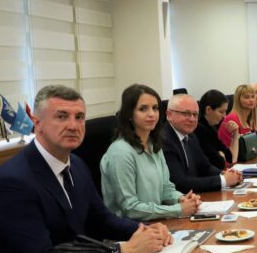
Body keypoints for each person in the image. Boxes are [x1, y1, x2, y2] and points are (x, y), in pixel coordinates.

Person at [0, 85, 172, 253]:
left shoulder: (76, 164)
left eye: (79, 117)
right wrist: (121, 251)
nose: (73, 126)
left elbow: (101, 218)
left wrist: (144, 230)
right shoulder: (14, 182)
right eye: (61, 116)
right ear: (37, 124)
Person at [101, 84, 201, 221]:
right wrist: (178, 209)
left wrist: (181, 199)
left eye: (155, 108)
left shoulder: (154, 145)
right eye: (143, 109)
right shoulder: (120, 152)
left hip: (156, 223)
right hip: (130, 230)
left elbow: (166, 188)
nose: (151, 114)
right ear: (129, 114)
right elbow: (130, 208)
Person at [163, 93, 243, 193]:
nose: (192, 119)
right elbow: (179, 183)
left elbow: (205, 167)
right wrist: (223, 180)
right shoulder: (165, 140)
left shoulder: (191, 135)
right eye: (186, 114)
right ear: (169, 115)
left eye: (195, 114)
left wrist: (225, 174)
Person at [218, 84, 257, 161]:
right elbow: (230, 152)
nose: (251, 100)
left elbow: (249, 142)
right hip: (233, 164)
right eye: (247, 97)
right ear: (238, 100)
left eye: (253, 97)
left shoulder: (247, 119)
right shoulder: (231, 119)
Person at [195, 89, 232, 169]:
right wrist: (221, 155)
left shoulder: (212, 127)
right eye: (221, 112)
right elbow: (219, 162)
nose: (224, 116)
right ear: (208, 110)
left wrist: (221, 154)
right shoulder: (199, 130)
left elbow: (229, 156)